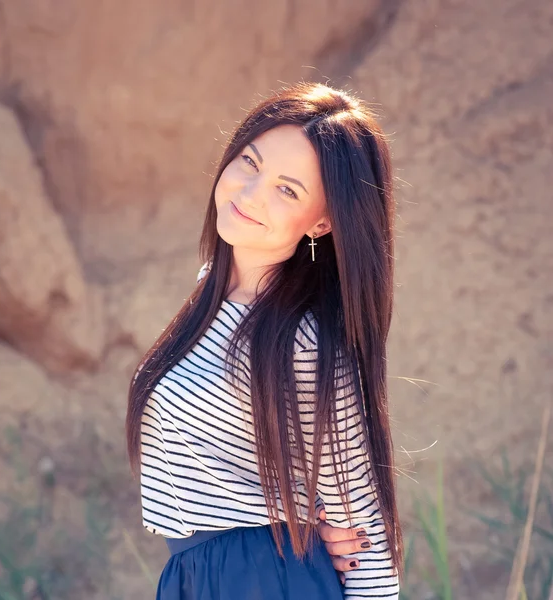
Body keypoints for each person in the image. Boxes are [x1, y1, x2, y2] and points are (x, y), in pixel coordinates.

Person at [126, 81, 402, 599]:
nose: (251, 192)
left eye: (287, 189)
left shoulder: (303, 341)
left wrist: (300, 537)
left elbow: (364, 525)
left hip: (262, 581)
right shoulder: (211, 298)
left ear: (321, 222)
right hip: (196, 576)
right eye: (250, 163)